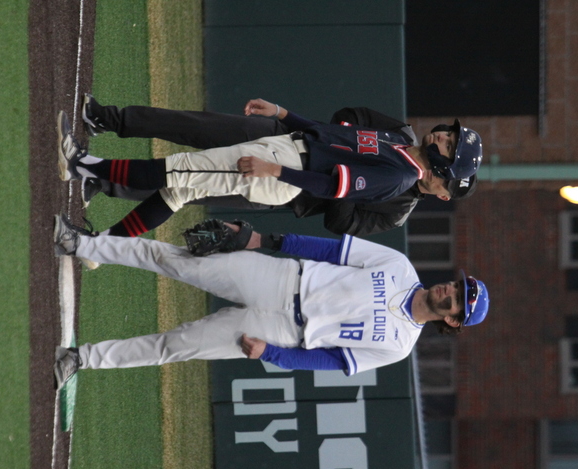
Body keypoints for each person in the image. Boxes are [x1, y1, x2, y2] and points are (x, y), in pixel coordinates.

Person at [51, 214, 489, 388]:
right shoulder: (399, 267)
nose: (450, 291)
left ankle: (81, 359)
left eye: (457, 302)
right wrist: (266, 240)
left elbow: (332, 362)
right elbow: (328, 249)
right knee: (177, 262)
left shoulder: (398, 346)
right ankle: (81, 244)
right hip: (281, 279)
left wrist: (273, 354)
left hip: (283, 333)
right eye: (457, 286)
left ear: (451, 323)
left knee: (177, 347)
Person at [56, 98, 481, 239]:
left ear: (443, 185)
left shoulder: (402, 179)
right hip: (289, 149)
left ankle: (83, 166)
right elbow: (334, 129)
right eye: (449, 135)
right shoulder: (399, 144)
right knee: (179, 187)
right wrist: (285, 114)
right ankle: (104, 244)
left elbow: (336, 192)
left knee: (181, 173)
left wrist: (278, 173)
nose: (444, 138)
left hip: (286, 172)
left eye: (450, 147)